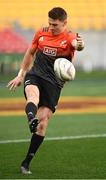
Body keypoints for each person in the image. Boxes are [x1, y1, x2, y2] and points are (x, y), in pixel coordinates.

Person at [7, 7, 84, 175]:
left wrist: (79, 45)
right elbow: (30, 52)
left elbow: (77, 44)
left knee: (42, 124)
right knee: (32, 96)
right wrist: (21, 75)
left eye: (55, 25)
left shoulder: (70, 36)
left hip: (54, 83)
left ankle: (26, 162)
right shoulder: (41, 33)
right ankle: (30, 118)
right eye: (49, 23)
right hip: (35, 75)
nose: (51, 27)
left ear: (64, 23)